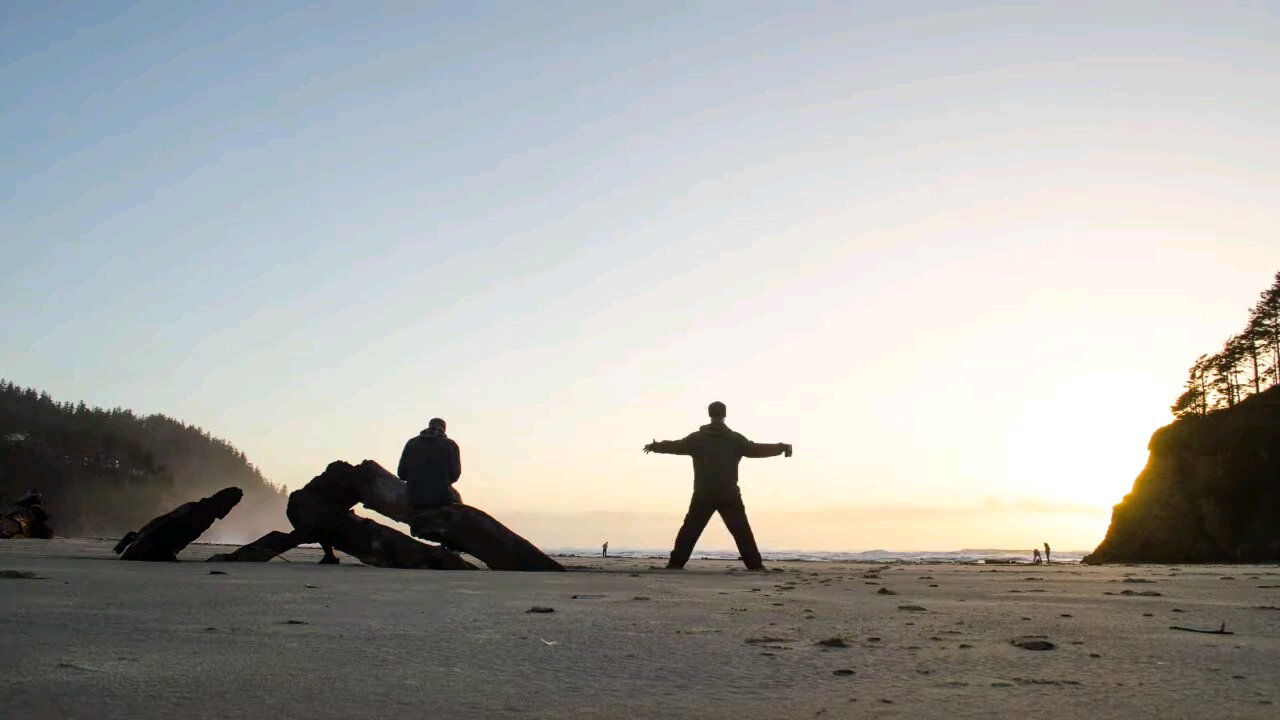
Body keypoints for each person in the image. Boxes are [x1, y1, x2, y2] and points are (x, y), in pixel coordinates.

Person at [644, 401, 791, 571]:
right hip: (728, 494)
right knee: (741, 531)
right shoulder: (734, 439)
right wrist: (781, 448)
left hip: (703, 493)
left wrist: (656, 446)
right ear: (725, 415)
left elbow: (676, 446)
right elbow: (755, 449)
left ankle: (675, 564)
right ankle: (755, 566)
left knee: (690, 530)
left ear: (709, 414)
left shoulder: (696, 439)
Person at [398, 418, 462, 509]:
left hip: (413, 498)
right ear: (444, 428)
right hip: (441, 499)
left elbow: (401, 473)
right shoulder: (451, 445)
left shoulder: (411, 443)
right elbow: (455, 475)